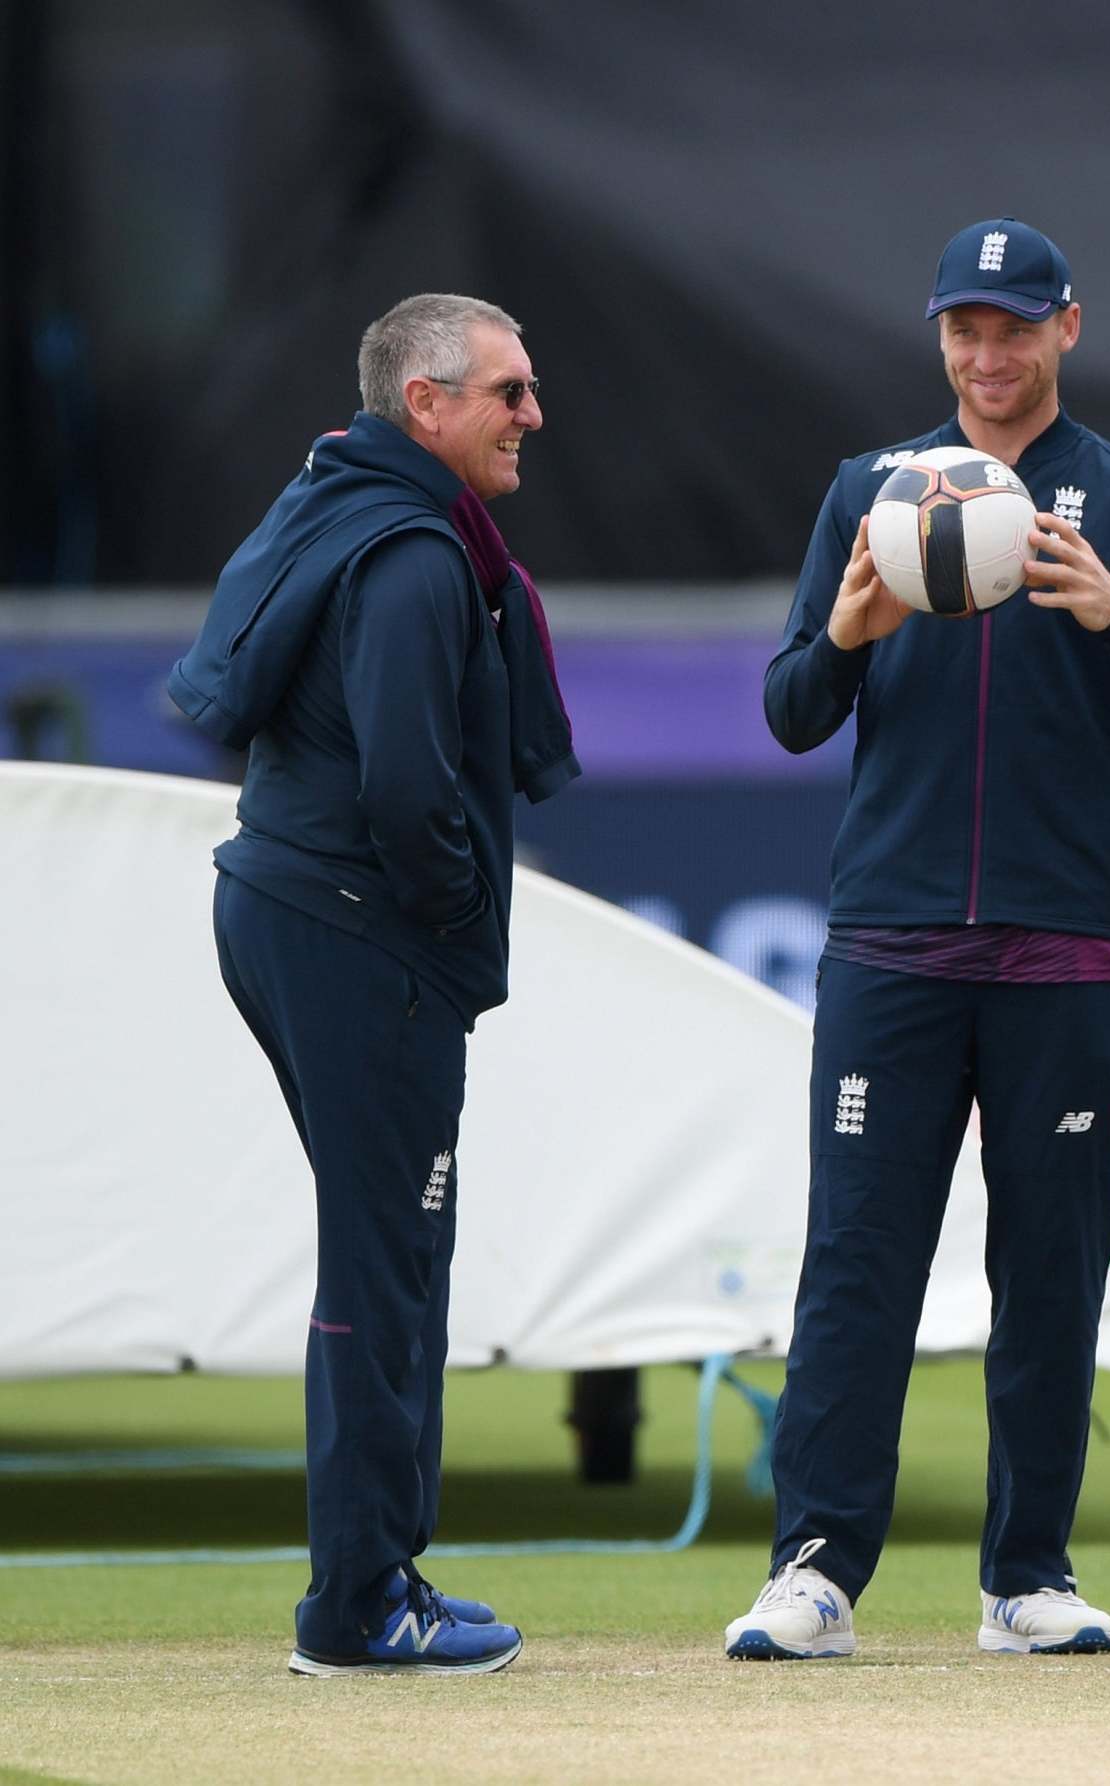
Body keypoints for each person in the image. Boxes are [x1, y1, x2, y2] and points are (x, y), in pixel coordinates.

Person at [727, 218, 1110, 1663]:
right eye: (965, 325)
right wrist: (841, 633)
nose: (987, 352)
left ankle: (1026, 1575)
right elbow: (789, 711)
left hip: (1067, 946)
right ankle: (814, 1572)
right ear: (937, 332)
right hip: (890, 945)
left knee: (1053, 1265)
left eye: (1015, 325)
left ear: (1067, 328)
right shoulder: (867, 492)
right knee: (858, 1264)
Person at [171, 293, 579, 1676]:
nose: (532, 413)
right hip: (354, 928)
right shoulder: (411, 554)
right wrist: (457, 915)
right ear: (427, 404)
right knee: (390, 1258)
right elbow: (413, 790)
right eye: (508, 391)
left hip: (279, 897)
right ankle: (358, 1603)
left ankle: (373, 1577)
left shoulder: (334, 497)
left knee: (383, 1250)